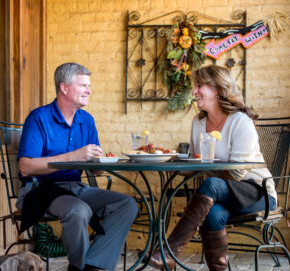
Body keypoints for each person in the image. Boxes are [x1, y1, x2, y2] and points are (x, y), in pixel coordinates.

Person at [146, 64, 277, 270]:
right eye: (194, 86)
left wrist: (206, 171)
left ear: (218, 89)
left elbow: (237, 173)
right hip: (220, 194)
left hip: (257, 192)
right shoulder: (198, 122)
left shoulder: (240, 121)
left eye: (200, 86)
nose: (194, 91)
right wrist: (169, 163)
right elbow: (196, 163)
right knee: (212, 214)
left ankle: (168, 251)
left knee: (212, 184)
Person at [16, 62, 138, 271]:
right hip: (40, 189)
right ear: (64, 88)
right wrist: (74, 155)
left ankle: (92, 266)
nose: (89, 90)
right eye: (83, 85)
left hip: (75, 188)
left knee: (127, 205)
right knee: (78, 210)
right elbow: (25, 167)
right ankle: (78, 266)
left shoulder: (87, 120)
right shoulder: (39, 118)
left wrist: (98, 163)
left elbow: (94, 170)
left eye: (88, 85)